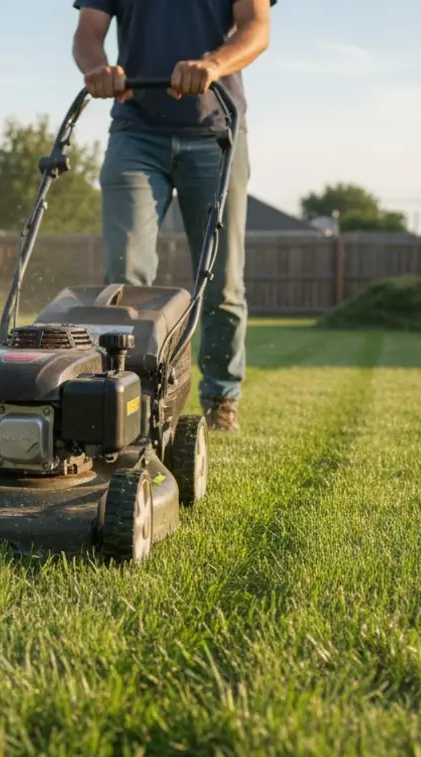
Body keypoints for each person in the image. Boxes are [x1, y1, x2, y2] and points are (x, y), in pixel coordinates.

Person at [71, 0, 273, 433]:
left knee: (222, 279)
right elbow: (89, 33)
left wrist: (213, 64)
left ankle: (220, 398)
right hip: (136, 132)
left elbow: (256, 28)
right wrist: (99, 70)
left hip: (216, 131)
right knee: (124, 276)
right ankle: (129, 395)